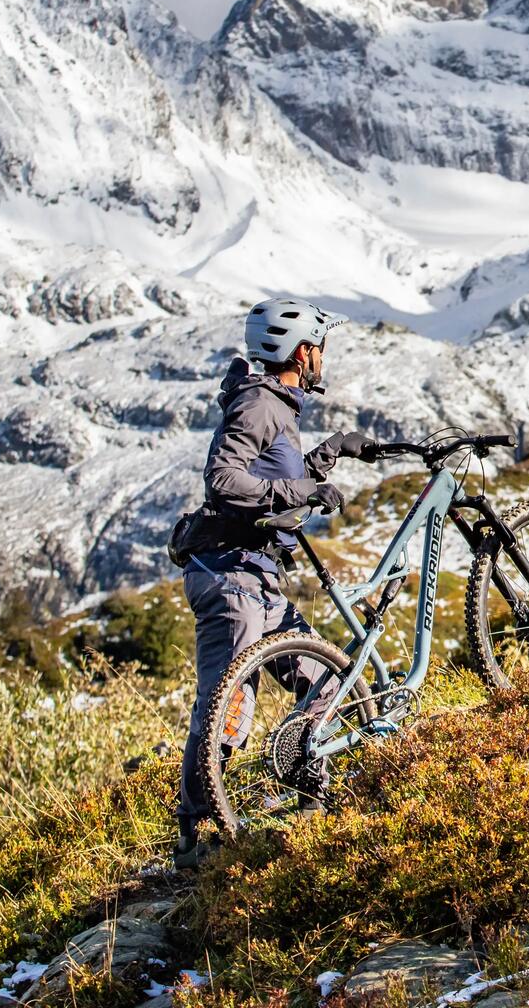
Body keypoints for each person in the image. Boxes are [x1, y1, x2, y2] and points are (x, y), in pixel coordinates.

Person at [171, 298, 380, 868]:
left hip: (258, 580)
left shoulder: (278, 408)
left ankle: (298, 771)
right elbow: (224, 480)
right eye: (320, 347)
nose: (323, 359)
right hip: (230, 575)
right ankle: (195, 843)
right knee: (225, 710)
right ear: (302, 351)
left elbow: (272, 480)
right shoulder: (260, 403)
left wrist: (327, 456)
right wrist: (300, 493)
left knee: (328, 679)